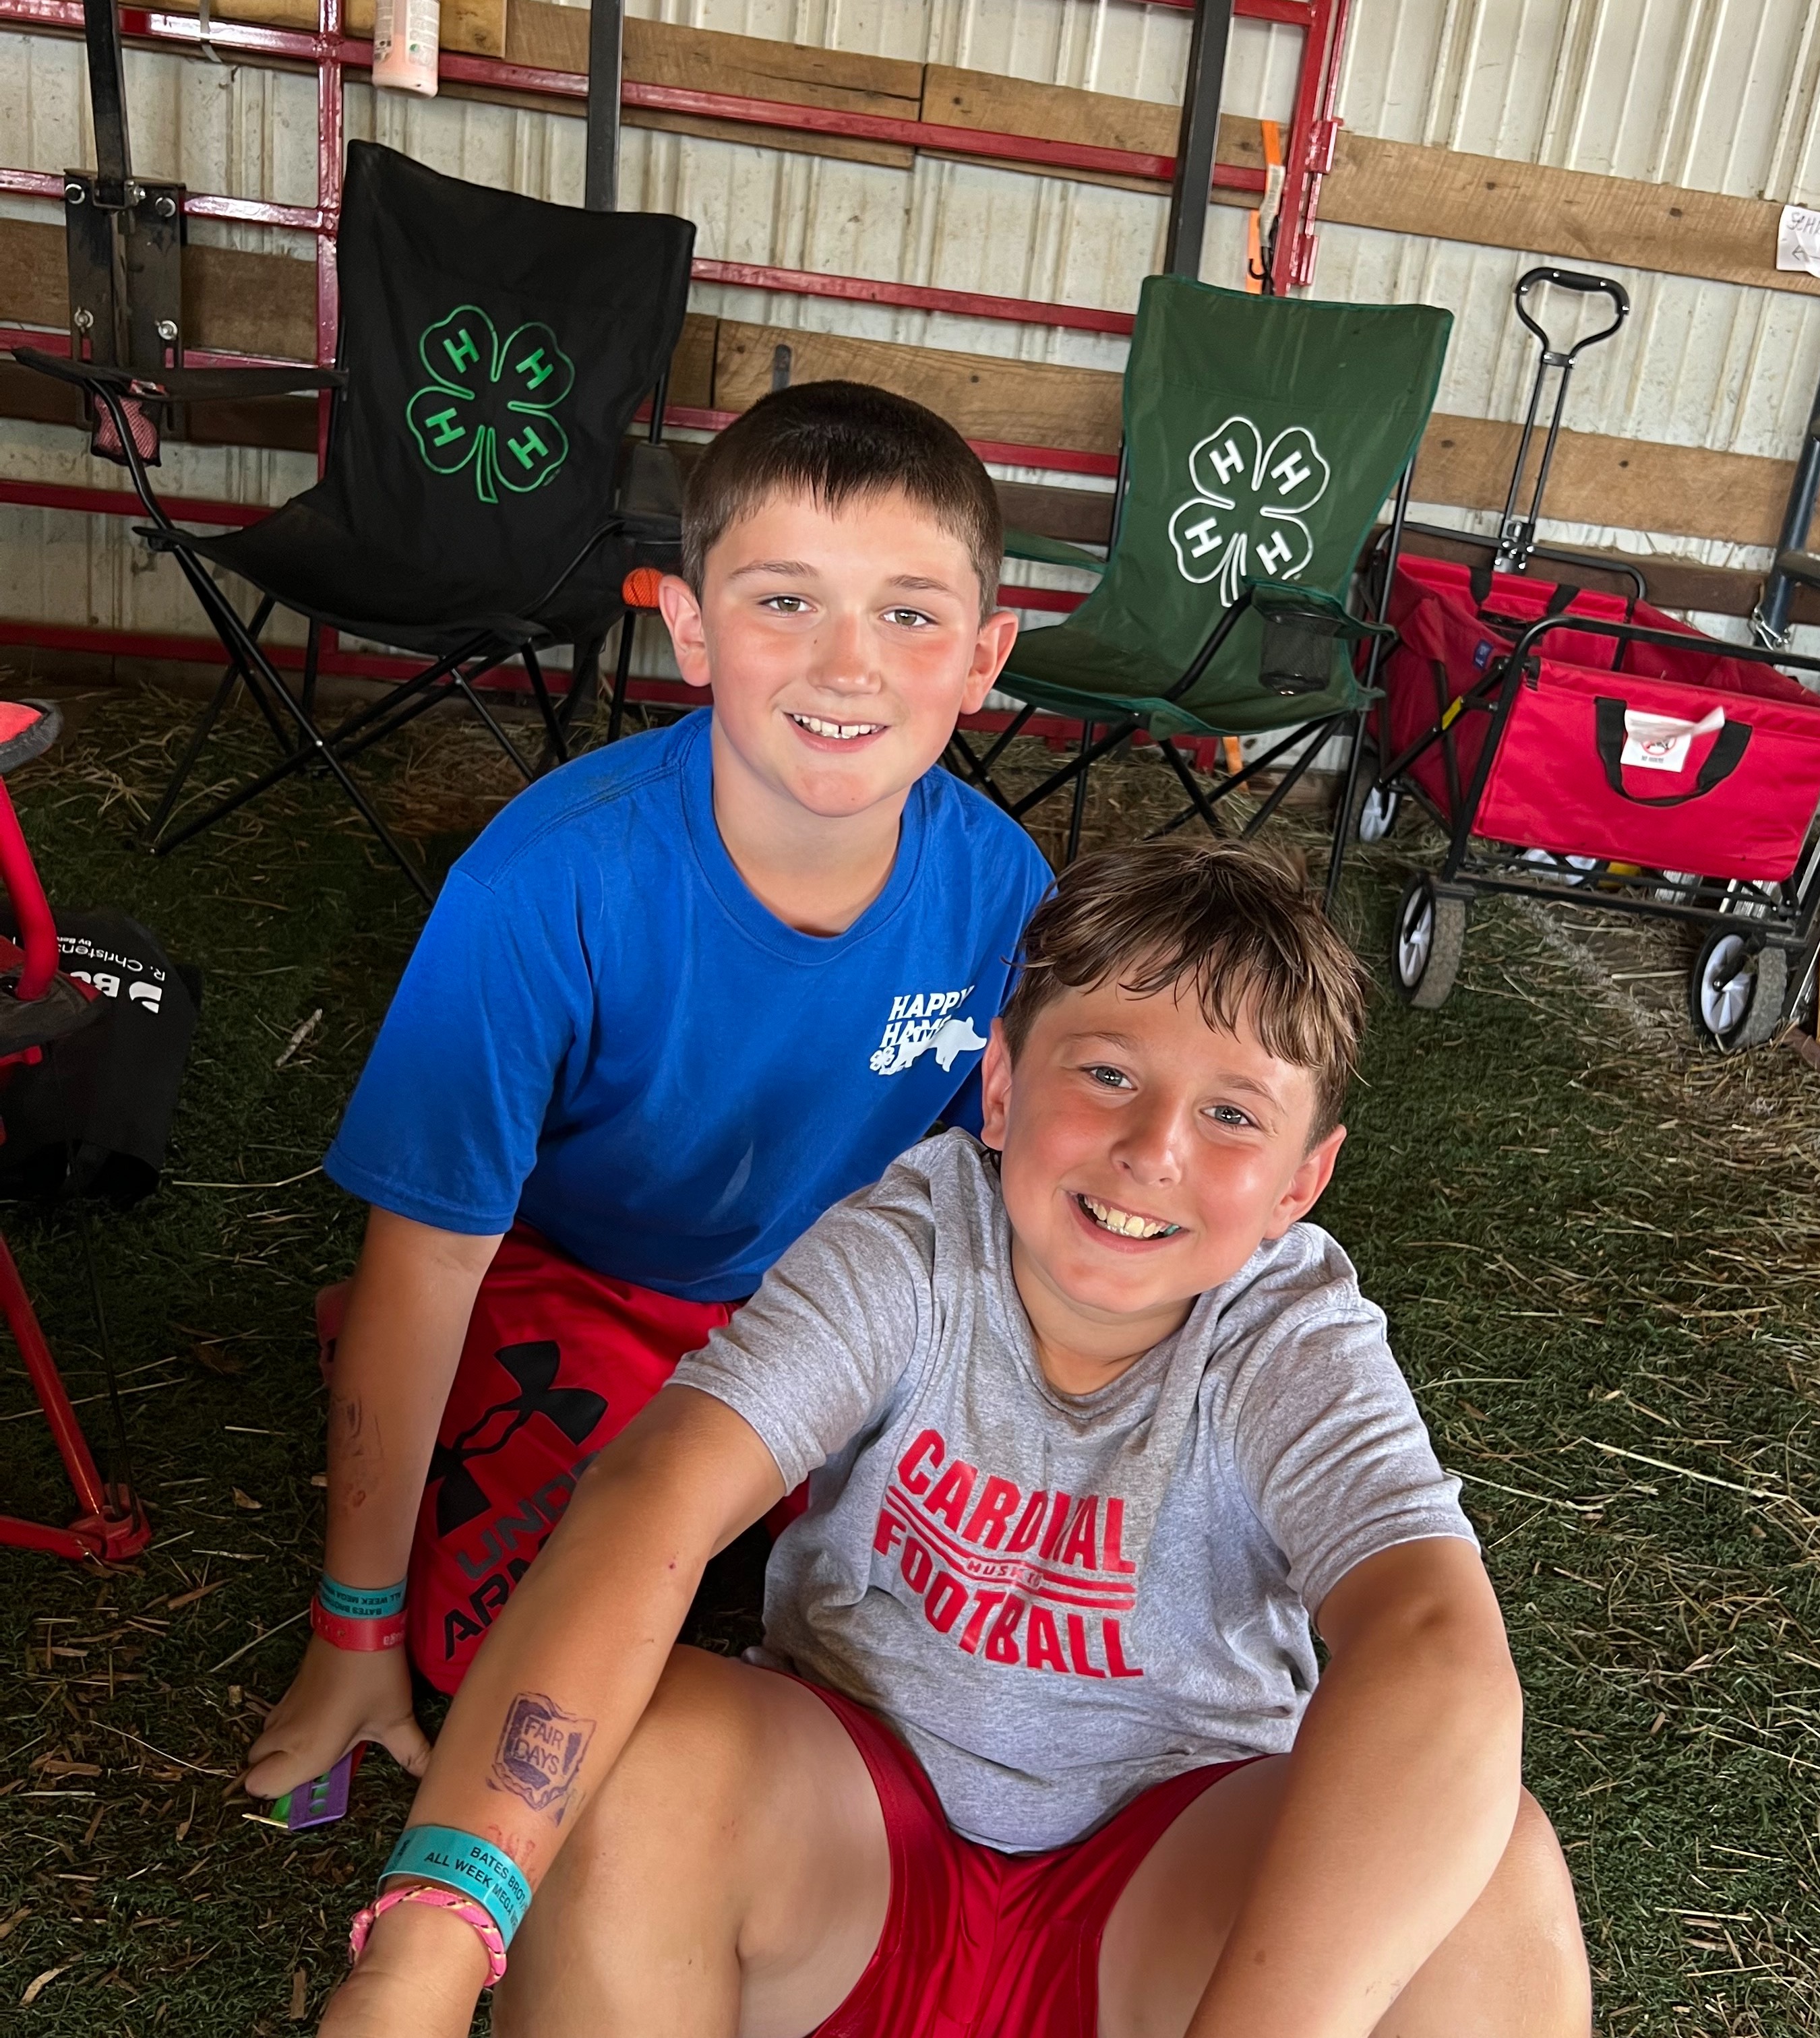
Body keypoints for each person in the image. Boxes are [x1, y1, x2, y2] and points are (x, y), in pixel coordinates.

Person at [321, 838, 1593, 2038]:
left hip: (1168, 1911)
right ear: (997, 1088)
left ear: (1301, 1186)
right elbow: (657, 1493)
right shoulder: (915, 1241)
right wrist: (427, 1947)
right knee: (654, 1753)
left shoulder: (1289, 1330)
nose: (1154, 1150)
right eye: (1106, 1074)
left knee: (1491, 1875)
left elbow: (1437, 1649)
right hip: (854, 1861)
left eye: (1234, 1117)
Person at [243, 381, 1052, 1799]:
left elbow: (983, 1206)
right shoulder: (544, 881)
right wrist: (348, 1627)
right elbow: (430, 1253)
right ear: (688, 628)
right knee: (473, 1650)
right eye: (784, 601)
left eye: (910, 614)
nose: (848, 666)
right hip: (589, 1281)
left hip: (825, 1308)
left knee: (980, 1626)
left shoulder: (1003, 893)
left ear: (986, 656)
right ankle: (421, 1397)